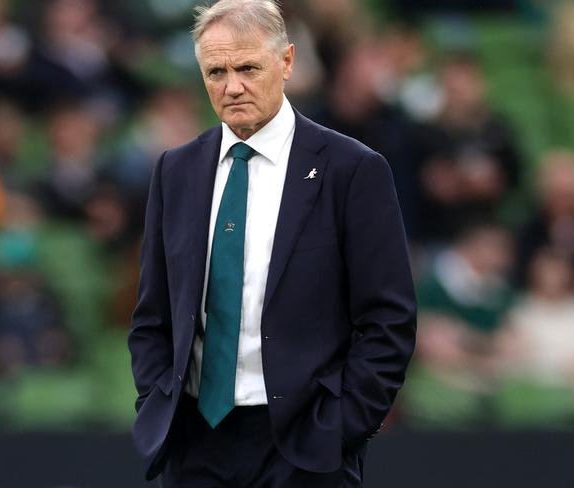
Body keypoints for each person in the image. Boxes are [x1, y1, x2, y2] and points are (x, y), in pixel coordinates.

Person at [128, 1, 416, 486]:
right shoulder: (175, 171)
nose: (231, 86)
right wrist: (156, 400)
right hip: (195, 442)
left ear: (286, 62)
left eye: (247, 68)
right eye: (215, 71)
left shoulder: (352, 170)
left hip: (305, 445)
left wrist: (342, 426)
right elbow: (153, 315)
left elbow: (389, 319)